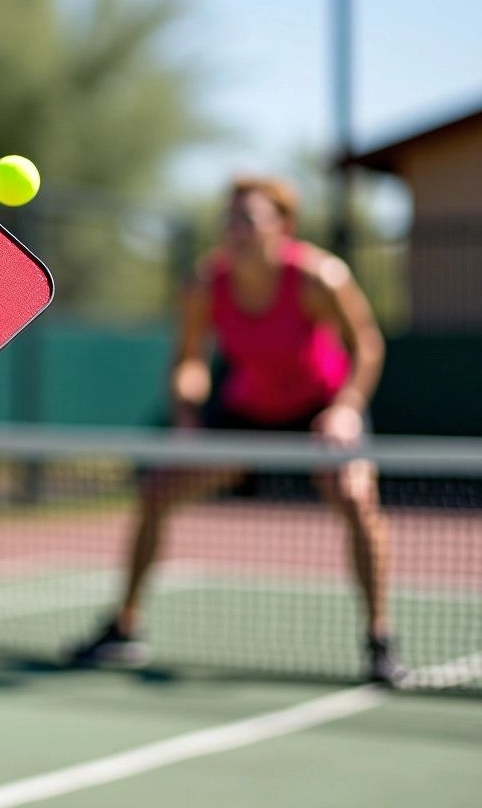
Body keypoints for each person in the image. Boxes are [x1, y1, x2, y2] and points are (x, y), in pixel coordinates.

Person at [70, 175, 407, 686]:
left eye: (247, 219)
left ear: (283, 227)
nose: (235, 230)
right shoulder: (205, 284)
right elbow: (187, 362)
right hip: (245, 414)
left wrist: (347, 407)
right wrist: (186, 412)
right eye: (229, 220)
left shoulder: (319, 277)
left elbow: (367, 346)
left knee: (357, 500)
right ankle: (124, 627)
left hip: (320, 408)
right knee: (157, 492)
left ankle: (380, 640)